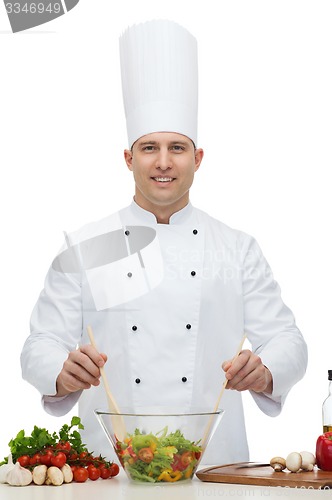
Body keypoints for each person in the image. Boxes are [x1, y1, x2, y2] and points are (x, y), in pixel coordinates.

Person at [21, 19, 307, 465]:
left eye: (177, 147)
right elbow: (40, 343)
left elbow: (288, 338)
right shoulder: (87, 244)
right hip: (109, 473)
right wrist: (60, 371)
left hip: (217, 469)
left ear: (198, 159)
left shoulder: (236, 248)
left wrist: (266, 371)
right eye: (149, 147)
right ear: (128, 158)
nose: (163, 162)